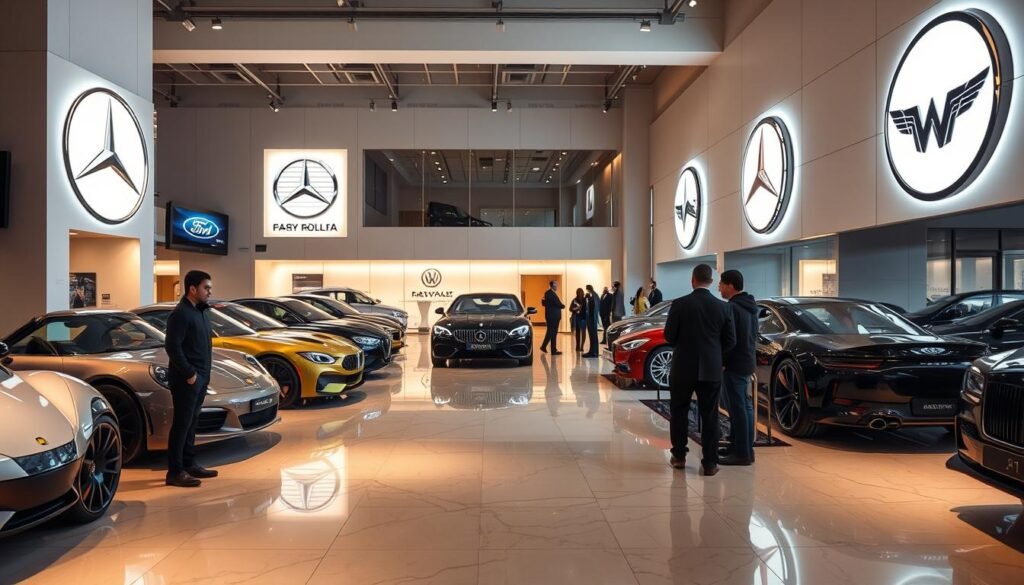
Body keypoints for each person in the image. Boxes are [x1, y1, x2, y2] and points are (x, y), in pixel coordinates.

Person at [663, 264, 736, 476]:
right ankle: (710, 463)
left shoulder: (680, 304)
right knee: (710, 415)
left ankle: (679, 456)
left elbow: (669, 336)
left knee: (679, 411)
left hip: (683, 367)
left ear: (692, 280)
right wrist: (715, 353)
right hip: (711, 369)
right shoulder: (723, 307)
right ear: (711, 282)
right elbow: (731, 340)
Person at [164, 270, 218, 488]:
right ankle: (175, 472)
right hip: (187, 379)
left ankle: (189, 463)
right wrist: (190, 374)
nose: (210, 291)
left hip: (200, 378)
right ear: (192, 289)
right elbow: (172, 347)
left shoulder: (201, 312)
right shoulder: (181, 313)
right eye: (206, 287)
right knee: (182, 425)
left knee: (192, 423)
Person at [718, 270, 758, 466]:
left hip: (734, 364)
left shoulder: (733, 308)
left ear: (730, 285)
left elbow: (730, 339)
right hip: (746, 361)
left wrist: (723, 361)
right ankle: (741, 446)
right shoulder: (750, 306)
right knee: (744, 406)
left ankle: (742, 452)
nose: (719, 287)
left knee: (738, 408)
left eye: (721, 284)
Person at [540, 280, 564, 355]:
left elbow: (543, 303)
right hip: (553, 316)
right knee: (551, 332)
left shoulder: (547, 293)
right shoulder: (550, 293)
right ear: (552, 285)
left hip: (552, 316)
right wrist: (563, 306)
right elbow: (558, 304)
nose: (557, 286)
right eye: (556, 284)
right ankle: (545, 346)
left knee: (552, 332)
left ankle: (553, 349)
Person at [582, 284, 600, 357]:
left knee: (593, 336)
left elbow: (593, 307)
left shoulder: (593, 296)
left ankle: (593, 352)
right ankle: (593, 351)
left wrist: (588, 298)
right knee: (593, 336)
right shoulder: (594, 295)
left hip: (592, 319)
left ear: (588, 289)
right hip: (592, 319)